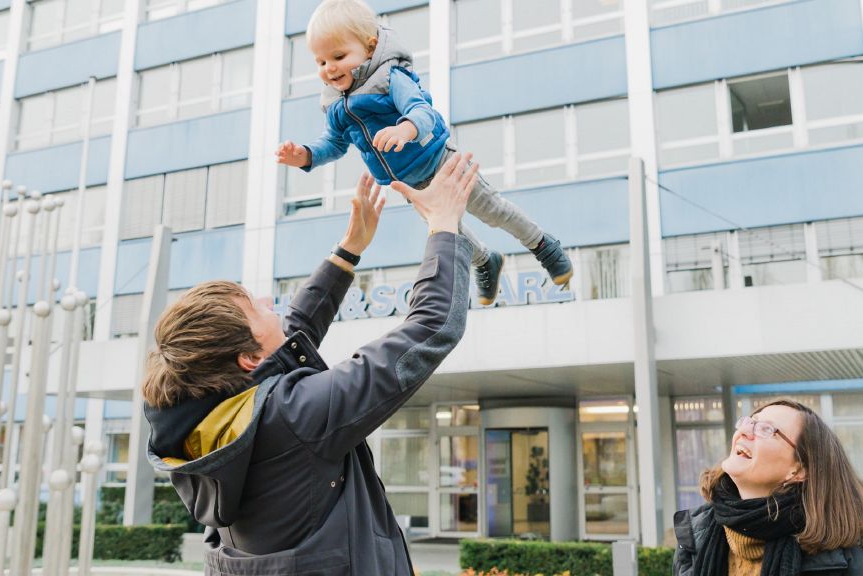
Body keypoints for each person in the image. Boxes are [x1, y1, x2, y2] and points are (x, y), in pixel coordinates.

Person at [142, 153, 479, 575]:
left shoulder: (210, 417)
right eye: (255, 307)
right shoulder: (296, 416)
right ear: (246, 357)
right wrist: (444, 226)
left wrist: (348, 251)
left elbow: (285, 342)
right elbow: (430, 328)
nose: (269, 303)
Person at [273, 0, 573, 306]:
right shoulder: (336, 104)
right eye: (320, 62)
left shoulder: (390, 77)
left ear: (369, 46)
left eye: (338, 56)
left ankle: (544, 245)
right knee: (449, 233)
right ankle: (485, 261)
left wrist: (405, 130)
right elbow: (334, 143)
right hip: (410, 184)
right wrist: (306, 156)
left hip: (441, 163)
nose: (329, 68)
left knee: (491, 210)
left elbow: (422, 111)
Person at [673, 399, 863, 576]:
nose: (744, 431)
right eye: (749, 422)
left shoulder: (840, 563)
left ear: (798, 471)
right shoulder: (694, 536)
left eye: (766, 429)